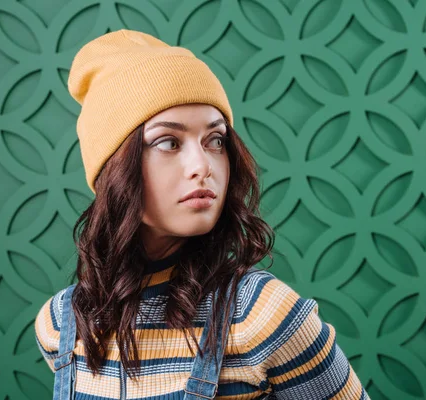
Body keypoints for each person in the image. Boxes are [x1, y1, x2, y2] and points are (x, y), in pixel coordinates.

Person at [35, 29, 369, 399]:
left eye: (215, 140)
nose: (202, 165)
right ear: (112, 170)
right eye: (168, 142)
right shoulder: (61, 322)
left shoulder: (262, 315)